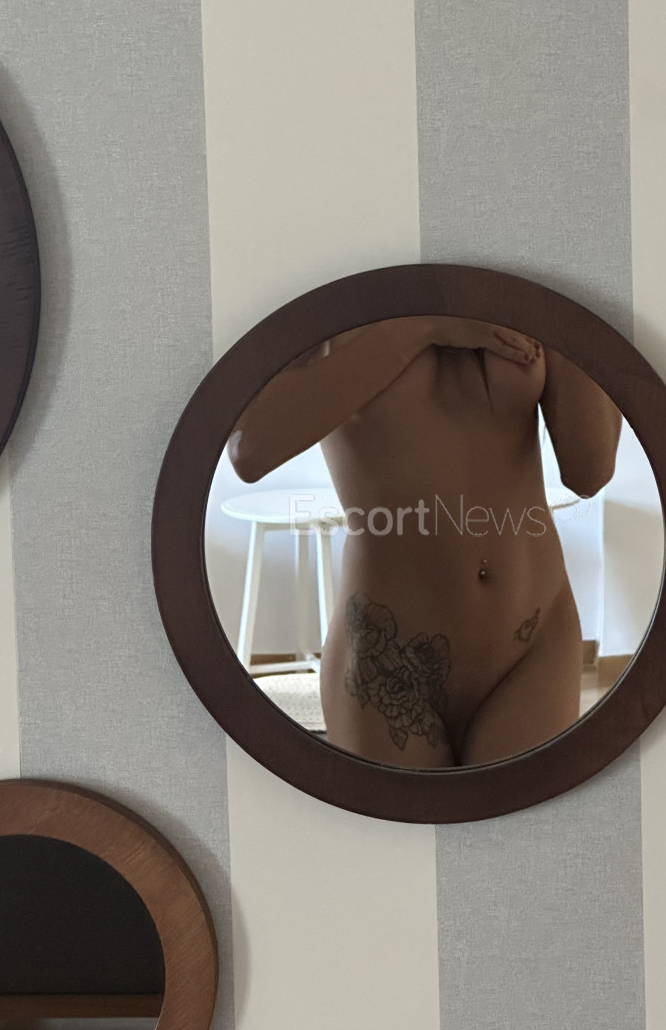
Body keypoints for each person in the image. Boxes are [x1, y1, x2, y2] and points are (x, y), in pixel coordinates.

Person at [228, 316, 621, 768]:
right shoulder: (335, 298)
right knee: (399, 820)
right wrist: (421, 328)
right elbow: (249, 449)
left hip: (532, 646)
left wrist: (562, 314)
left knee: (526, 818)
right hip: (386, 655)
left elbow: (590, 471)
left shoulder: (516, 293)